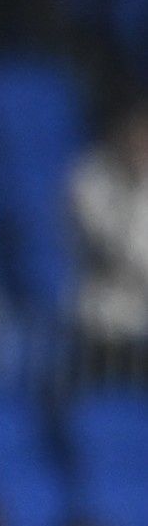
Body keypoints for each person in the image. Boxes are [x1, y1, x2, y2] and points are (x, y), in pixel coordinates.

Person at [71, 88, 148, 356]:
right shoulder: (88, 181)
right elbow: (118, 252)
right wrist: (135, 186)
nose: (141, 143)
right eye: (136, 134)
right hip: (102, 318)